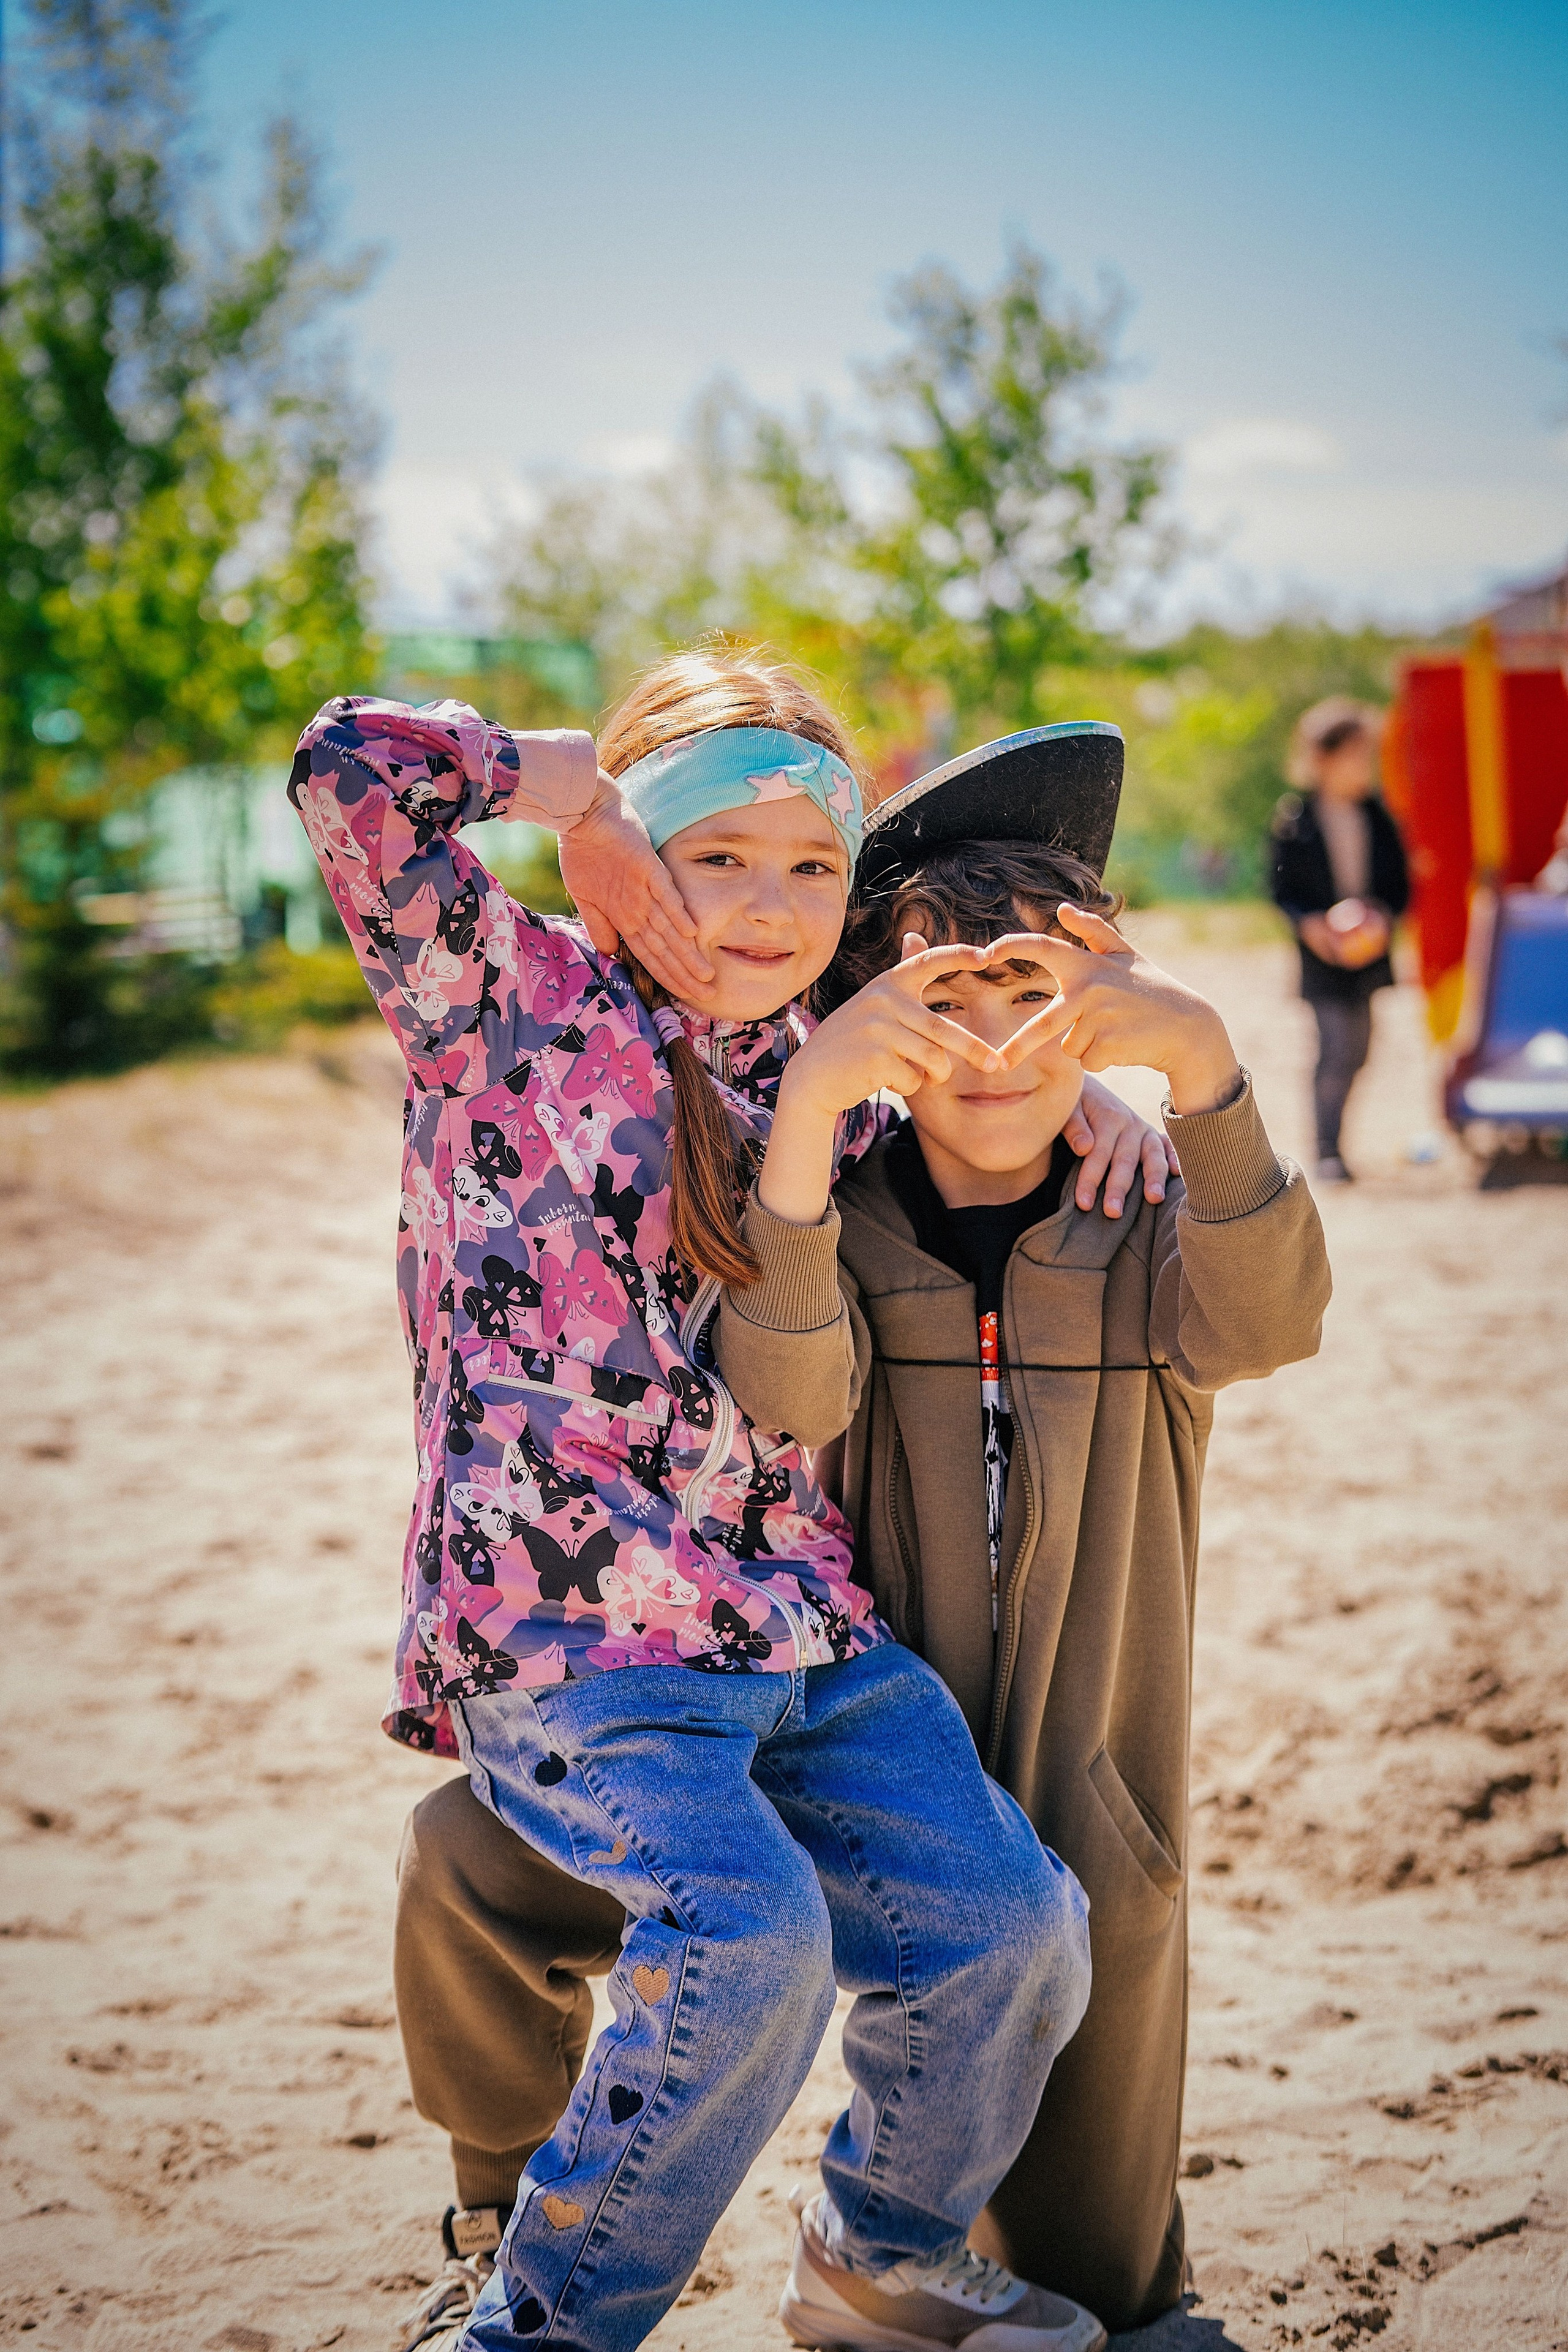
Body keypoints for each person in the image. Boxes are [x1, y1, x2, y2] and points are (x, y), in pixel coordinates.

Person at [390, 728, 1330, 2337]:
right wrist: (586, 812)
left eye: (1035, 996)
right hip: (778, 1728)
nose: (993, 1045)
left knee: (1097, 2262)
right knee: (463, 1867)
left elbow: (1271, 1321)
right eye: (942, 1000)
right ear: (874, 1021)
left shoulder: (1141, 1214)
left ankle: (891, 2261)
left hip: (1051, 1793)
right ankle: (499, 2224)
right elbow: (786, 1373)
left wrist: (1195, 1074)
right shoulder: (827, 1193)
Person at [1268, 696, 1410, 1182]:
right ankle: (1328, 1148)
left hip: (1367, 955)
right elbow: (1281, 890)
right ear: (1323, 759)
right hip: (1322, 956)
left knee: (1361, 1047)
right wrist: (1311, 925)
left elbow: (1400, 885)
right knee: (1334, 1045)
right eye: (1356, 756)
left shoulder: (1378, 816)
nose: (1366, 766)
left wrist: (1381, 918)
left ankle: (1337, 1140)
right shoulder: (1295, 821)